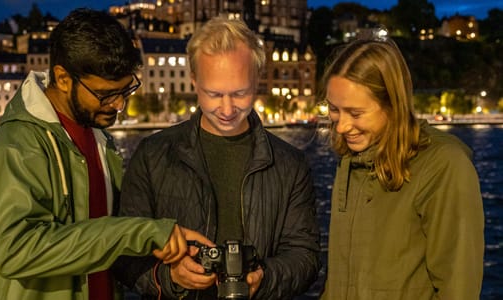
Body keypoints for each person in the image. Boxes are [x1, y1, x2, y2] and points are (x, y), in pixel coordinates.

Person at [0, 8, 211, 300]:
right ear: (62, 78)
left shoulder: (100, 138)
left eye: (126, 90)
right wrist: (142, 233)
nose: (119, 105)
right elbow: (14, 250)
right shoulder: (16, 144)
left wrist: (169, 258)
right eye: (106, 94)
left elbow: (110, 237)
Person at [112, 16, 321, 299]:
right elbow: (124, 254)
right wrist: (170, 276)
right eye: (214, 94)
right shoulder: (151, 155)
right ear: (194, 81)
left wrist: (264, 278)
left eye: (240, 93)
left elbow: (305, 257)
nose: (226, 109)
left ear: (257, 79)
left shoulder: (291, 164)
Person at [319, 29, 484, 300]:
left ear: (392, 105)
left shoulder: (445, 165)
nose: (342, 125)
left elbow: (458, 288)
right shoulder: (351, 160)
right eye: (334, 109)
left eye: (355, 113)